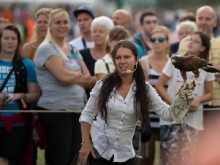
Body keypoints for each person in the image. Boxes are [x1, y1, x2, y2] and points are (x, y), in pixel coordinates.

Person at [79, 40, 194, 165]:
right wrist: (85, 144)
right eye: (118, 58)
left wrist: (183, 98)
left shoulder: (145, 89)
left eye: (127, 57)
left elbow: (167, 114)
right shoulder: (102, 85)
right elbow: (87, 114)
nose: (122, 61)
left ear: (136, 60)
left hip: (125, 155)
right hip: (98, 152)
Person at [34, 8, 92, 165]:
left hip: (77, 109)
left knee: (73, 158)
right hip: (56, 111)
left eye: (65, 22)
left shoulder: (72, 48)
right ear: (50, 26)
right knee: (59, 158)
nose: (62, 25)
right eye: (57, 22)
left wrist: (73, 76)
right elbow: (64, 78)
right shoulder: (47, 48)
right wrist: (76, 76)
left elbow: (89, 78)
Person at [156, 31, 214, 165]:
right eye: (190, 39)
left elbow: (210, 94)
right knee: (167, 161)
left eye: (195, 41)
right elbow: (159, 85)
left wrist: (198, 99)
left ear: (203, 48)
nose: (191, 42)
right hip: (171, 121)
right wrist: (173, 106)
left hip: (192, 123)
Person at [0, 24, 40, 165]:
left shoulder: (26, 64)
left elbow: (35, 94)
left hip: (18, 124)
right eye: (6, 38)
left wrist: (18, 96)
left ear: (18, 41)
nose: (10, 42)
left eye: (14, 38)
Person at [140, 26, 170, 165]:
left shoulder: (173, 62)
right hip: (149, 112)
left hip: (168, 112)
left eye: (160, 39)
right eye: (153, 39)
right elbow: (141, 89)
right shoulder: (143, 62)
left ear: (167, 42)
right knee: (147, 155)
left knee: (168, 156)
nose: (156, 42)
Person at [79, 16, 114, 99]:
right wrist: (108, 78)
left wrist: (93, 80)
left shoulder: (115, 56)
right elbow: (80, 81)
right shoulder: (82, 54)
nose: (97, 34)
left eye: (101, 32)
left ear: (109, 34)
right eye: (94, 31)